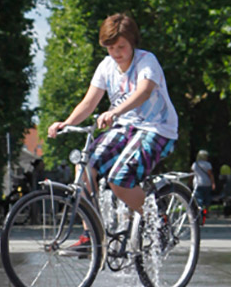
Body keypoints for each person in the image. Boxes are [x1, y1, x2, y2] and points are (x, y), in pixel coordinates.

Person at [47, 13, 178, 247]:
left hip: (156, 128)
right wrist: (67, 122)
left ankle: (158, 221)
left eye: (121, 47)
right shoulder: (106, 67)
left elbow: (144, 92)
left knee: (120, 179)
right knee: (84, 168)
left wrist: (115, 112)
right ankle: (91, 234)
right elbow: (89, 102)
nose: (117, 53)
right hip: (125, 126)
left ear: (132, 43)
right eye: (111, 48)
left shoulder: (147, 61)